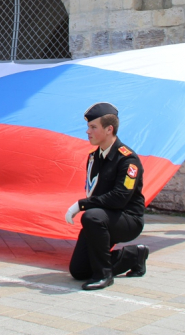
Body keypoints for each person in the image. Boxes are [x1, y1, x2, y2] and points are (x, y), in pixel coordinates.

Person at [65, 102, 149, 291]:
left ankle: (103, 275)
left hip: (127, 219)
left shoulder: (128, 160)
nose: (88, 131)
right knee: (78, 271)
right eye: (88, 127)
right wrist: (88, 205)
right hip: (102, 219)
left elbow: (120, 198)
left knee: (91, 216)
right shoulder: (94, 157)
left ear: (109, 129)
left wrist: (82, 204)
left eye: (93, 127)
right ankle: (134, 256)